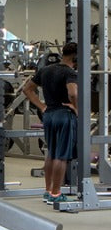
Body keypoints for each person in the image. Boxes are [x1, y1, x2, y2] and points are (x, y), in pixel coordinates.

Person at [23, 41, 79, 205]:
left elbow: (27, 89)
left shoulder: (45, 70)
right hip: (64, 115)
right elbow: (73, 93)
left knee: (52, 154)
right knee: (61, 156)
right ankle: (56, 193)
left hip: (49, 115)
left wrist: (42, 106)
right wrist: (76, 108)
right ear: (75, 57)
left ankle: (48, 191)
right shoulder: (69, 72)